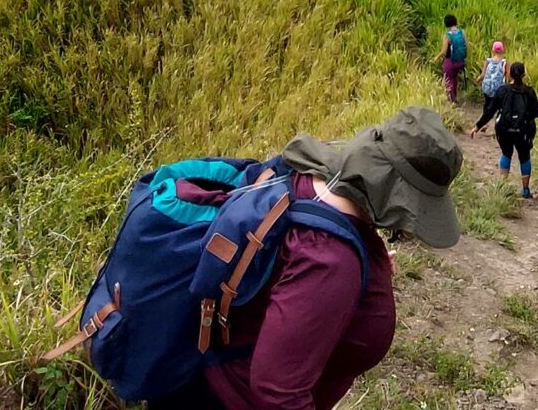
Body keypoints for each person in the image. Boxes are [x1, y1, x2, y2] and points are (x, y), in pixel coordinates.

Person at [160, 106, 464, 410]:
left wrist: (367, 267)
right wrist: (342, 273)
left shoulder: (312, 179)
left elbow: (284, 266)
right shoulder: (328, 259)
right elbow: (278, 392)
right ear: (395, 191)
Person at [491, 61, 538, 199]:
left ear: (509, 73)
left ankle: (503, 187)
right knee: (524, 156)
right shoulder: (529, 92)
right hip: (523, 130)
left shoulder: (503, 90)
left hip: (504, 129)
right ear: (524, 74)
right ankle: (525, 190)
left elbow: (491, 109)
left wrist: (477, 126)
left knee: (506, 153)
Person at [472, 41, 509, 133]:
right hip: (498, 89)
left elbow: (483, 75)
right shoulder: (504, 62)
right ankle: (497, 124)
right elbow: (507, 76)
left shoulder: (488, 61)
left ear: (493, 50)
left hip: (487, 87)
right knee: (499, 107)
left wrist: (478, 80)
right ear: (502, 50)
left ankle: (485, 123)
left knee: (487, 105)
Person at [439, 14, 467, 104]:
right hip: (460, 61)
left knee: (448, 79)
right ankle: (455, 98)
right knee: (454, 78)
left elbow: (444, 51)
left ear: (446, 24)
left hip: (451, 61)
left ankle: (451, 100)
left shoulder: (447, 35)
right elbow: (466, 45)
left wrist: (436, 57)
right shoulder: (462, 32)